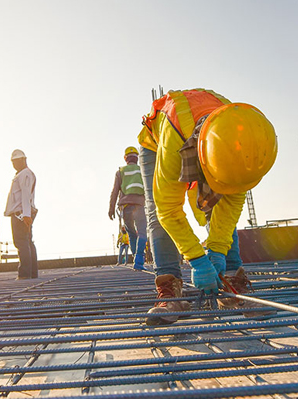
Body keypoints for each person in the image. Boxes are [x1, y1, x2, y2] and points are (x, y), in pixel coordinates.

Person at [137, 89, 278, 325]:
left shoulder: (244, 139)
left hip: (208, 136)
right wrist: (197, 259)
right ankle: (170, 291)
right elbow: (168, 209)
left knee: (221, 199)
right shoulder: (175, 142)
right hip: (159, 142)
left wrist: (218, 251)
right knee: (155, 210)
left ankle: (231, 281)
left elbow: (231, 204)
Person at [108, 146, 148, 270]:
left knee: (131, 234)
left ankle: (136, 256)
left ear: (125, 158)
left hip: (126, 207)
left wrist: (111, 208)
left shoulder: (120, 171)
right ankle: (139, 261)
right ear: (137, 158)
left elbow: (115, 192)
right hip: (139, 206)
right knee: (142, 232)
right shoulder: (142, 170)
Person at [4, 149, 38, 279]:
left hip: (21, 214)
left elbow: (25, 194)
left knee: (21, 242)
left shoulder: (25, 174)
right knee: (27, 242)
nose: (14, 165)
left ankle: (24, 274)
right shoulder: (23, 174)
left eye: (16, 161)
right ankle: (32, 273)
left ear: (23, 160)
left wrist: (26, 215)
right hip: (23, 213)